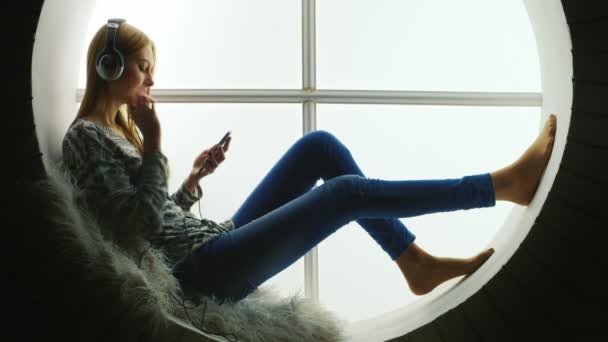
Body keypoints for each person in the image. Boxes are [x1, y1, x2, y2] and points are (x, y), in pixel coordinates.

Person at [61, 19, 557, 305]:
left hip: (211, 241)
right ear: (110, 65)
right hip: (199, 273)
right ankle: (498, 185)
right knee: (343, 195)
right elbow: (136, 229)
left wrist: (191, 182)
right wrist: (154, 144)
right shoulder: (84, 137)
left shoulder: (118, 132)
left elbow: (159, 215)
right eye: (145, 67)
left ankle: (413, 261)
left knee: (318, 145)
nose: (151, 80)